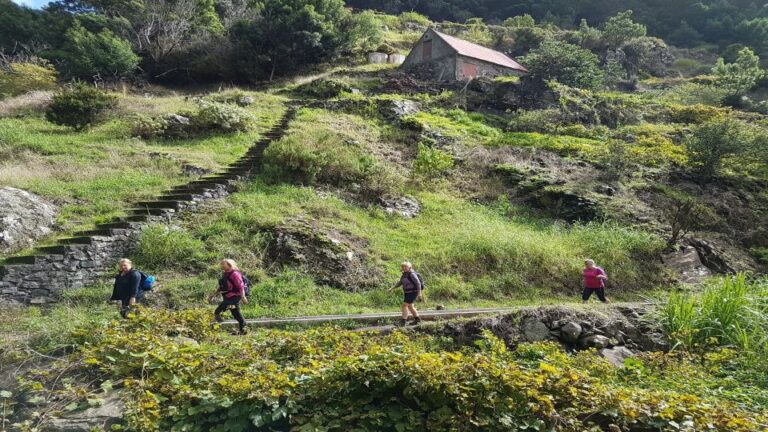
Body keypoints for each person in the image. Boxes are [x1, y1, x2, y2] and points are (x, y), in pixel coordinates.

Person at [209, 259, 248, 335]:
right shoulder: (226, 274)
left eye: (224, 264)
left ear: (229, 265)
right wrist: (214, 294)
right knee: (235, 313)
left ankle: (218, 320)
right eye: (221, 264)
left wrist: (243, 297)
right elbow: (222, 287)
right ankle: (243, 331)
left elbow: (240, 286)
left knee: (221, 307)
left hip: (235, 296)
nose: (222, 266)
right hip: (228, 296)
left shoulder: (235, 274)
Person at [389, 261, 422, 326]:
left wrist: (419, 293)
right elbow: (400, 283)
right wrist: (392, 288)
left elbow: (418, 284)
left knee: (404, 305)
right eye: (403, 266)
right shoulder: (404, 274)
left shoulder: (412, 274)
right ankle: (417, 320)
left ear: (409, 267)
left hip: (413, 292)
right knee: (410, 306)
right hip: (407, 292)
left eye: (405, 266)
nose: (404, 268)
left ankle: (403, 322)